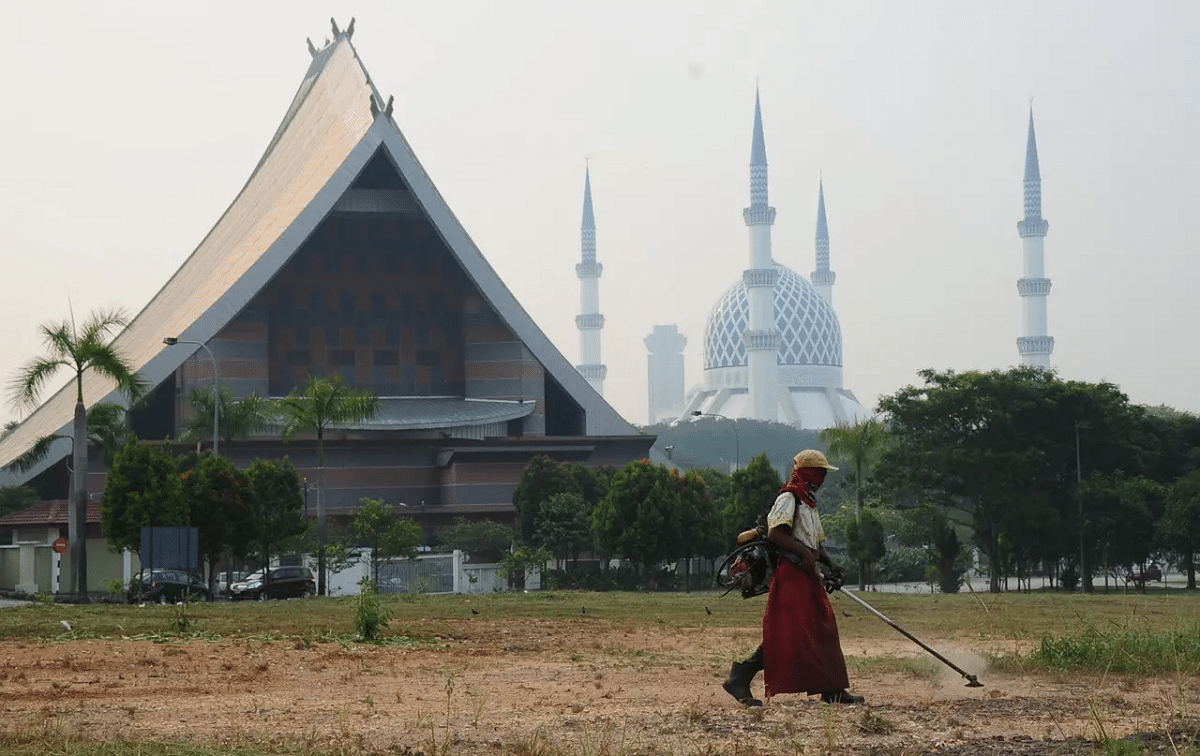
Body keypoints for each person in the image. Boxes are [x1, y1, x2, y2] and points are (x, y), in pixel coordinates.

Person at [722, 449, 865, 707]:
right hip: (791, 573)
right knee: (789, 635)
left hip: (806, 573)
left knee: (824, 629)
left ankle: (832, 688)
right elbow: (777, 535)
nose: (822, 478)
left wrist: (831, 564)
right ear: (807, 473)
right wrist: (804, 555)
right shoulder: (789, 498)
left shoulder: (808, 503)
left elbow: (815, 544)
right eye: (818, 472)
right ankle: (740, 677)